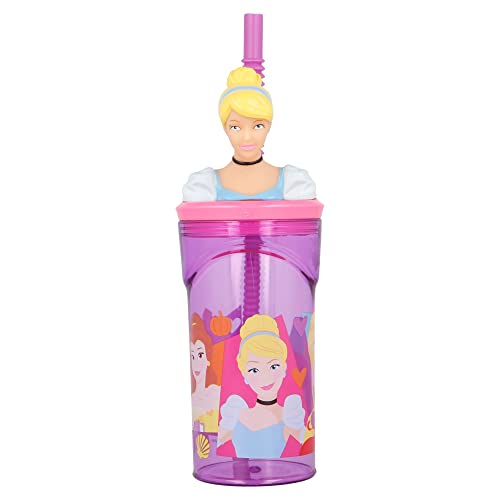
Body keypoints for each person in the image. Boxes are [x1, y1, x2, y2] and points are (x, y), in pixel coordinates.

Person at [182, 67, 316, 201]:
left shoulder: (295, 184)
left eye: (258, 126)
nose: (247, 137)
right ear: (225, 128)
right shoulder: (203, 187)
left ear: (269, 126)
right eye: (235, 127)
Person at [218, 314, 306, 458]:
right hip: (236, 469)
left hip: (280, 469)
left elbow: (300, 447)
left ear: (284, 367)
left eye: (273, 366)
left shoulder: (290, 415)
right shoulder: (235, 412)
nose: (265, 377)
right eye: (254, 370)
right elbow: (217, 445)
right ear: (244, 374)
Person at [190, 313, 221, 433]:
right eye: (192, 356)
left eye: (200, 355)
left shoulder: (215, 392)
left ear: (208, 357)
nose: (196, 363)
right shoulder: (194, 398)